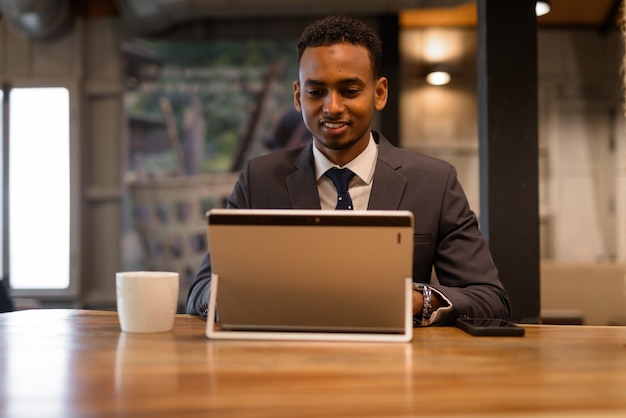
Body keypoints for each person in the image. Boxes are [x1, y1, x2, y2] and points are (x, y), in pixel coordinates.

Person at [186, 15, 510, 326]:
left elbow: (489, 298)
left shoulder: (434, 183)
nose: (332, 107)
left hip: (393, 369)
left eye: (350, 91)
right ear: (298, 97)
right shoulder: (258, 180)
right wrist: (260, 295)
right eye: (316, 92)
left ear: (379, 93)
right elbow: (199, 294)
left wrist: (415, 300)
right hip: (284, 364)